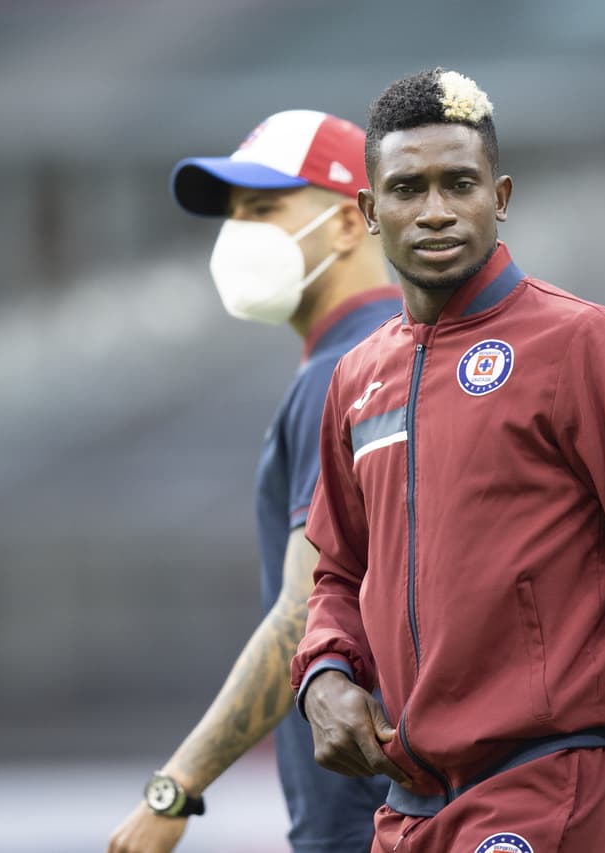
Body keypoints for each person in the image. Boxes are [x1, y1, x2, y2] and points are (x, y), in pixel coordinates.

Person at [289, 70, 605, 853]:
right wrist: (322, 672)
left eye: (460, 183)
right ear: (368, 211)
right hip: (410, 806)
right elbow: (338, 576)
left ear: (502, 195)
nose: (435, 211)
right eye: (407, 188)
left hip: (550, 781)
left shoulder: (584, 346)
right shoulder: (358, 378)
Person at [108, 109, 402, 853]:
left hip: (367, 818)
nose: (238, 233)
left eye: (265, 209)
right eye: (234, 214)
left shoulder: (344, 371)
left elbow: (303, 613)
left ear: (345, 225)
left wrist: (175, 787)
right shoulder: (396, 351)